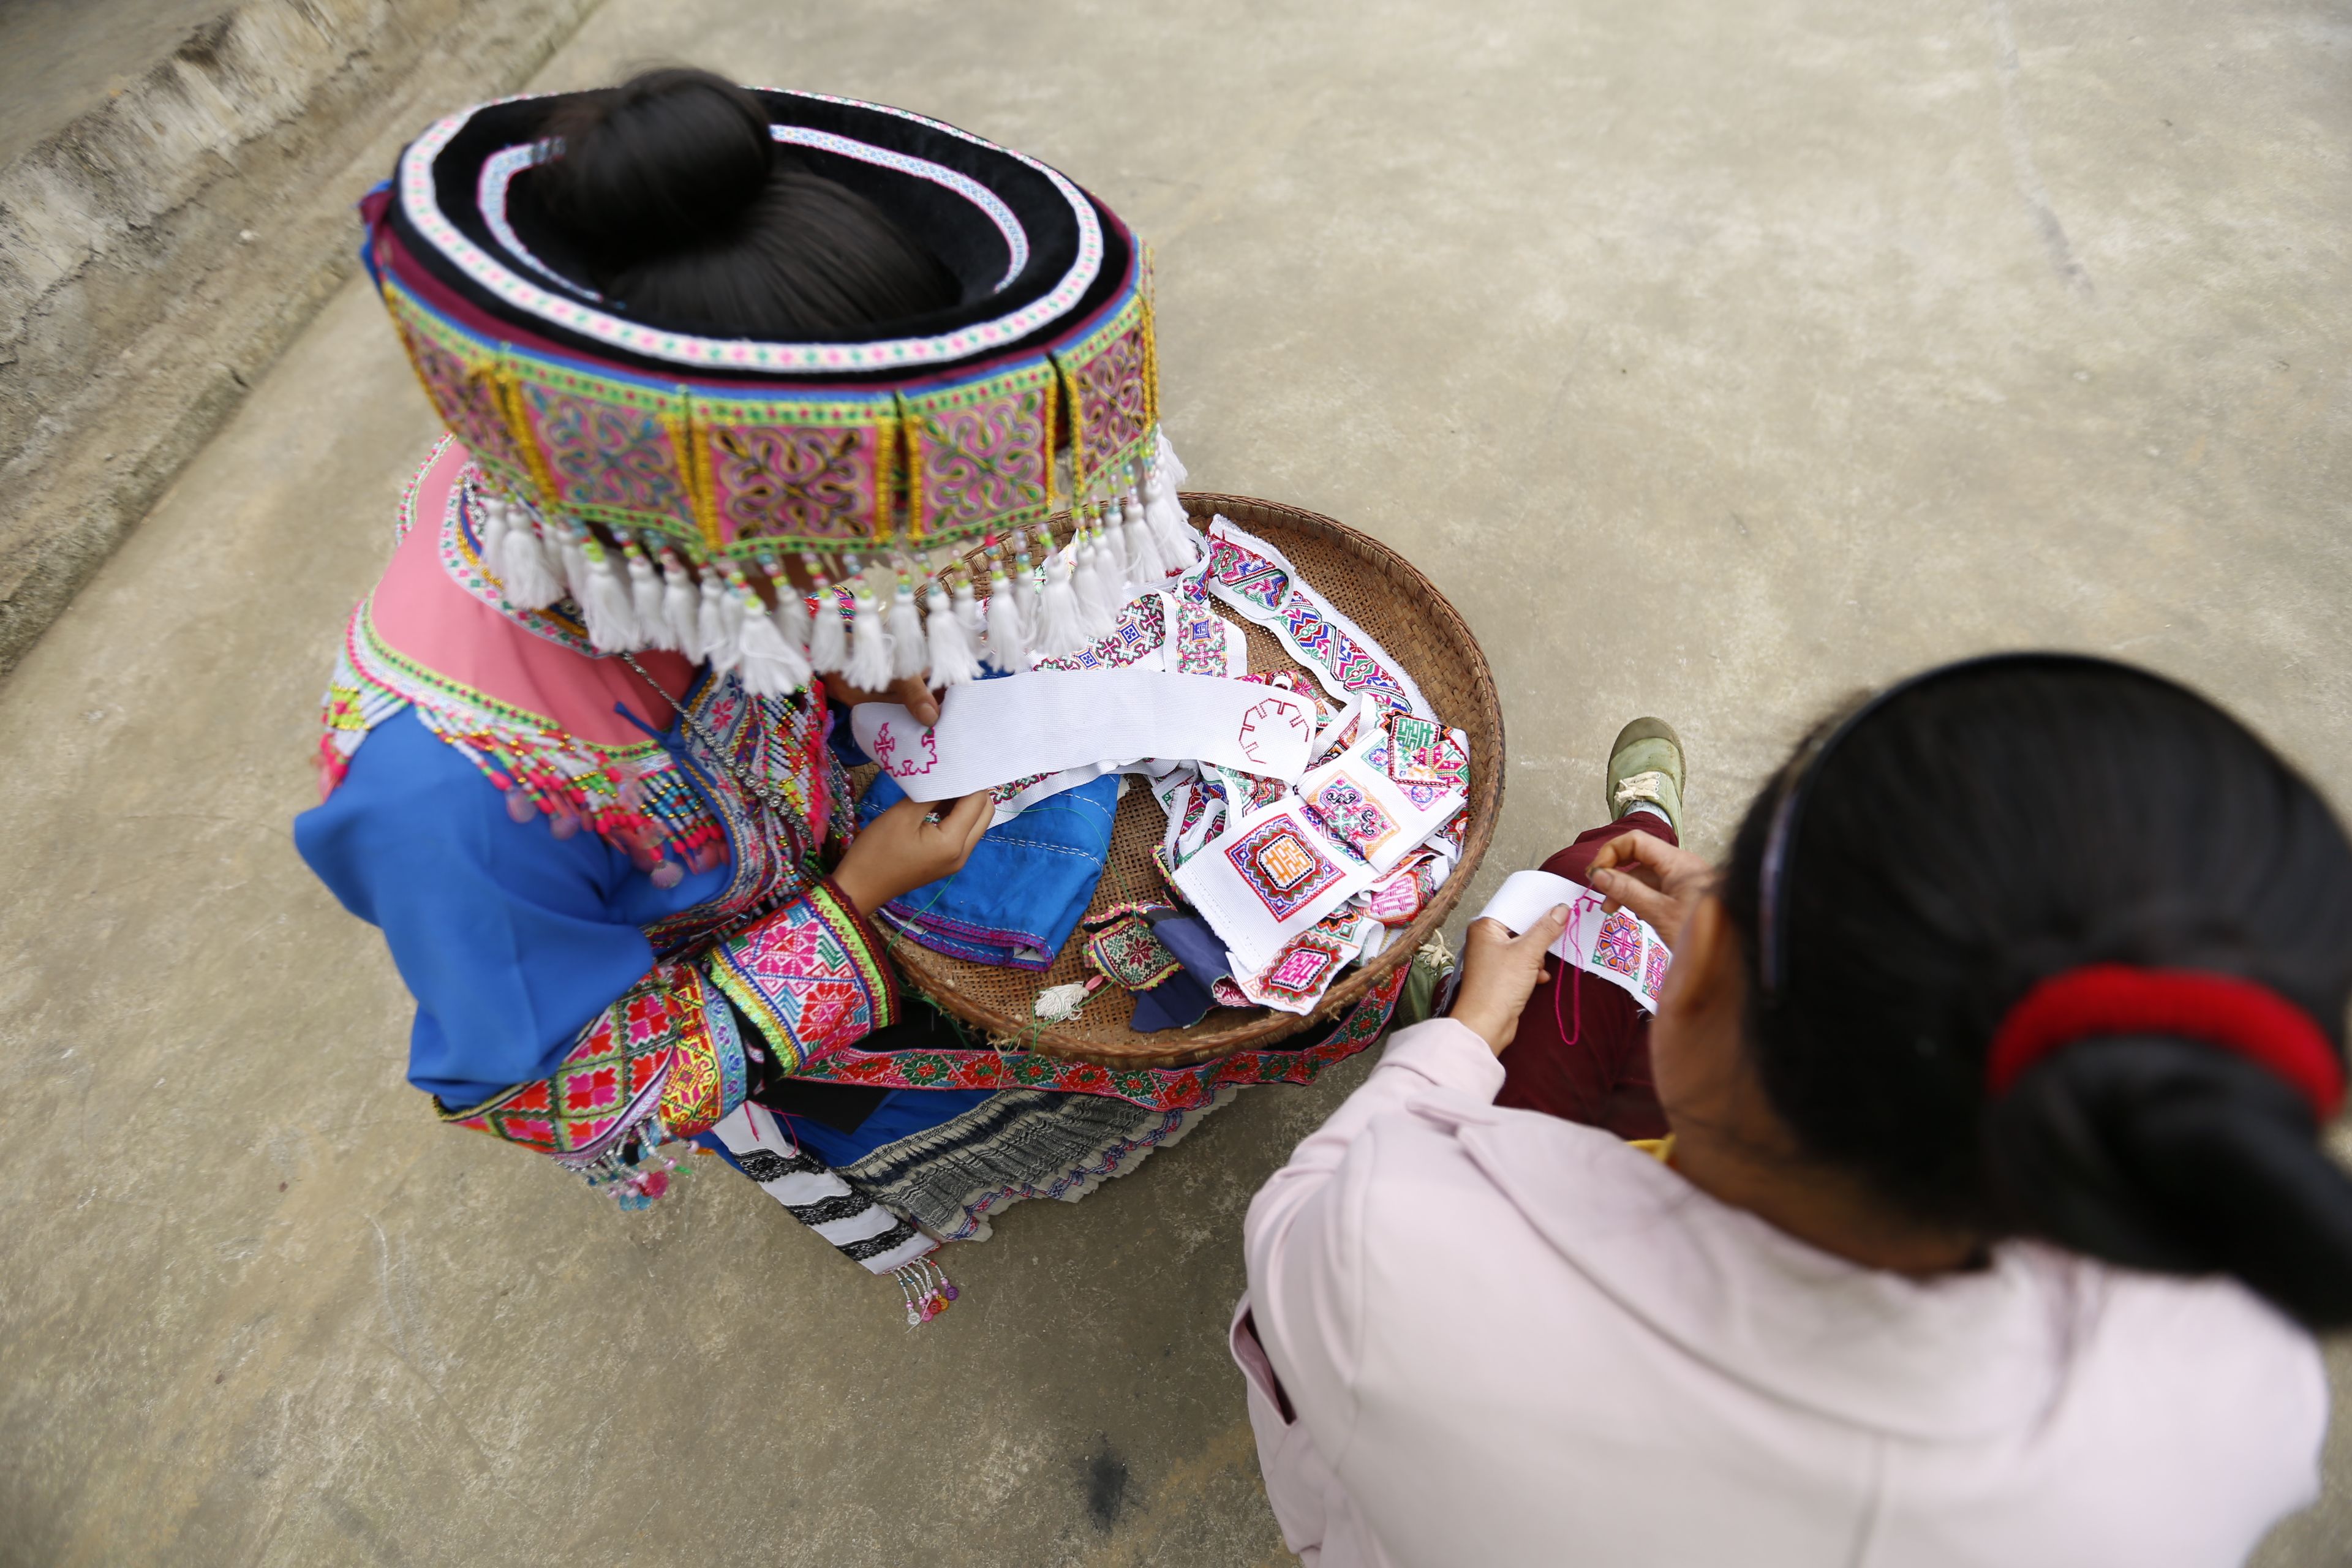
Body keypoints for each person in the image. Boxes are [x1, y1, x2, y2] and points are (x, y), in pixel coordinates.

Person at [297, 70, 1409, 1311]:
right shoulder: (453, 798)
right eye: (867, 571)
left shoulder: (602, 471)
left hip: (808, 808)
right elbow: (576, 1099)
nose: (907, 602)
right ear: (712, 555)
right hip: (757, 956)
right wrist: (855, 906)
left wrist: (846, 652)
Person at [1234, 653, 2352, 1565]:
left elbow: (1305, 1208)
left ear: (1708, 980)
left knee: (1577, 895)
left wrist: (1464, 1038)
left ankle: (1509, 943)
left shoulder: (1392, 1246)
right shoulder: (2239, 1397)